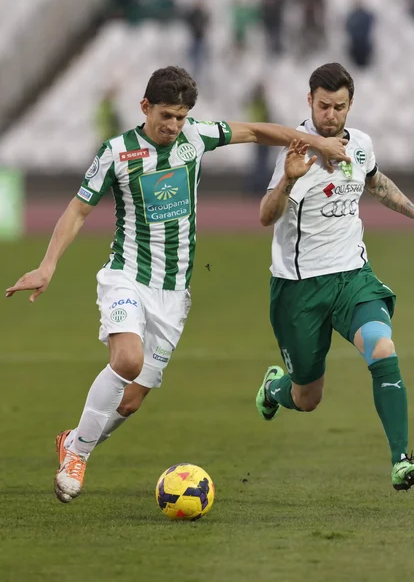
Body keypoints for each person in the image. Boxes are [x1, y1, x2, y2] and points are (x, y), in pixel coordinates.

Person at [6, 66, 348, 504]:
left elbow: (257, 131)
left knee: (128, 403)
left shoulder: (196, 137)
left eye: (182, 117)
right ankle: (78, 454)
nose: (173, 126)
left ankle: (73, 440)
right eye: (166, 115)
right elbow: (76, 211)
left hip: (173, 294)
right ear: (145, 107)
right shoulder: (117, 151)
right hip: (127, 274)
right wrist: (47, 265)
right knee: (127, 360)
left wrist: (316, 141)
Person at [255, 62, 414, 491]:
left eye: (340, 107)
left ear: (350, 105)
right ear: (309, 102)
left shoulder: (359, 144)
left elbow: (375, 182)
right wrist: (287, 182)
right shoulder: (294, 152)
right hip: (299, 288)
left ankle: (402, 460)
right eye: (324, 106)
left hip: (352, 277)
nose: (331, 115)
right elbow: (265, 216)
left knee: (382, 348)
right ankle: (274, 390)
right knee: (308, 398)